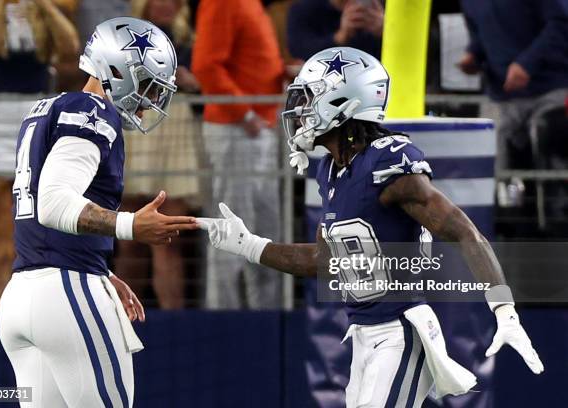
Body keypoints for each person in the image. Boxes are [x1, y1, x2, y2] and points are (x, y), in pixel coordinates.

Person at [197, 48, 544, 407]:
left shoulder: (389, 162)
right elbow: (322, 260)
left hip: (401, 333)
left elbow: (463, 231)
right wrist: (249, 245)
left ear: (343, 100)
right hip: (363, 337)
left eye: (310, 97)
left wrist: (504, 310)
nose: (299, 110)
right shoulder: (331, 169)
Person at [0, 17, 199, 407]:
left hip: (22, 294)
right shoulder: (93, 110)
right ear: (118, 70)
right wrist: (130, 225)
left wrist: (102, 269)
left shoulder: (46, 109)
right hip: (67, 294)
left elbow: (39, 206)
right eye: (149, 85)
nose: (152, 100)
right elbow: (53, 203)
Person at [0, 0, 79, 307]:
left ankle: (30, 304)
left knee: (36, 218)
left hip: (35, 110)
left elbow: (70, 45)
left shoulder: (46, 6)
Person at [192, 0, 284, 309]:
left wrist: (283, 72)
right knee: (230, 232)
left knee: (264, 232)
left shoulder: (251, 4)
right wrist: (245, 114)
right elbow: (205, 65)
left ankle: (267, 321)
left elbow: (253, 62)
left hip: (257, 128)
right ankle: (223, 323)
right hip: (238, 130)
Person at [115, 0, 202, 309]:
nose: (166, 5)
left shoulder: (189, 40)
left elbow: (203, 82)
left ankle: (174, 324)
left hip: (175, 128)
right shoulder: (123, 38)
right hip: (136, 127)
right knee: (130, 244)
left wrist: (192, 83)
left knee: (168, 243)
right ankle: (117, 319)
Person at [458, 0, 568, 172]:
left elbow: (561, 22)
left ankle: (555, 198)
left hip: (551, 89)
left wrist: (527, 63)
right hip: (501, 96)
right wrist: (473, 55)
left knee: (550, 148)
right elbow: (480, 32)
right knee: (491, 159)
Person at [287, 0, 383, 61]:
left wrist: (385, 30)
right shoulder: (303, 9)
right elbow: (298, 49)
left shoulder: (382, 8)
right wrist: (339, 38)